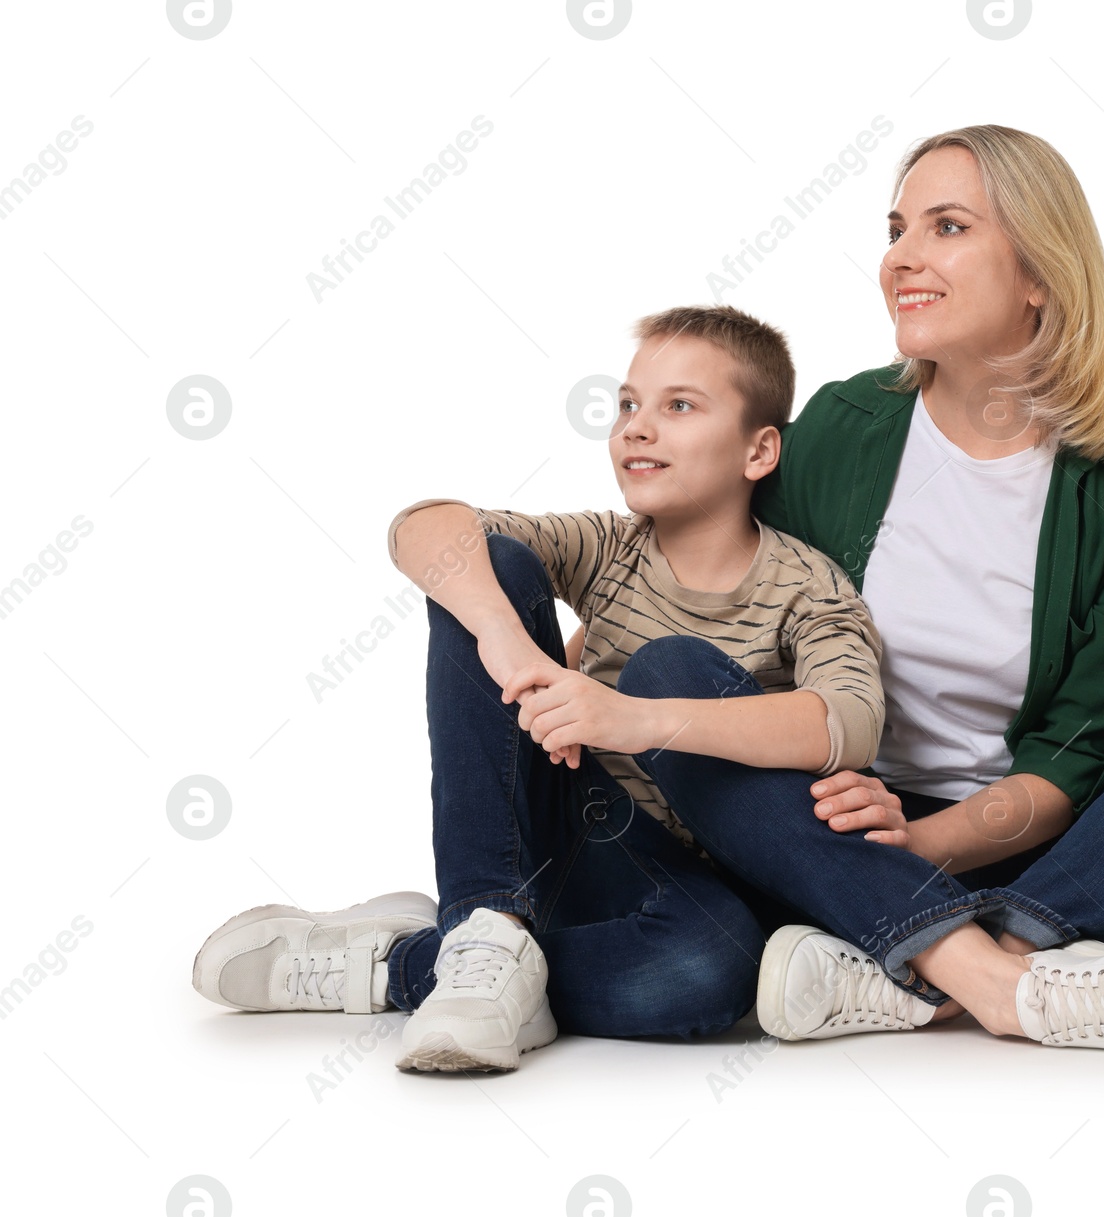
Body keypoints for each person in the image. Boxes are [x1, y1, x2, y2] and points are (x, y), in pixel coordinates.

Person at [575, 124, 1104, 1055]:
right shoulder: (841, 425)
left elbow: (1078, 754)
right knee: (672, 671)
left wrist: (928, 845)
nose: (901, 257)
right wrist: (605, 646)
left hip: (1026, 851)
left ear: (1038, 273)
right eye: (897, 229)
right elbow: (727, 579)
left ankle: (962, 954)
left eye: (946, 227)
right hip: (827, 828)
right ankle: (1018, 979)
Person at [190, 304, 888, 1073]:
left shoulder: (807, 587)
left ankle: (406, 964)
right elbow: (425, 527)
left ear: (759, 451)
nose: (637, 428)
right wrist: (504, 632)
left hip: (678, 883)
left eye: (679, 406)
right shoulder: (609, 545)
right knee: (488, 565)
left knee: (714, 970)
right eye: (628, 405)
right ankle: (486, 924)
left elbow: (846, 721)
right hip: (553, 825)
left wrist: (634, 717)